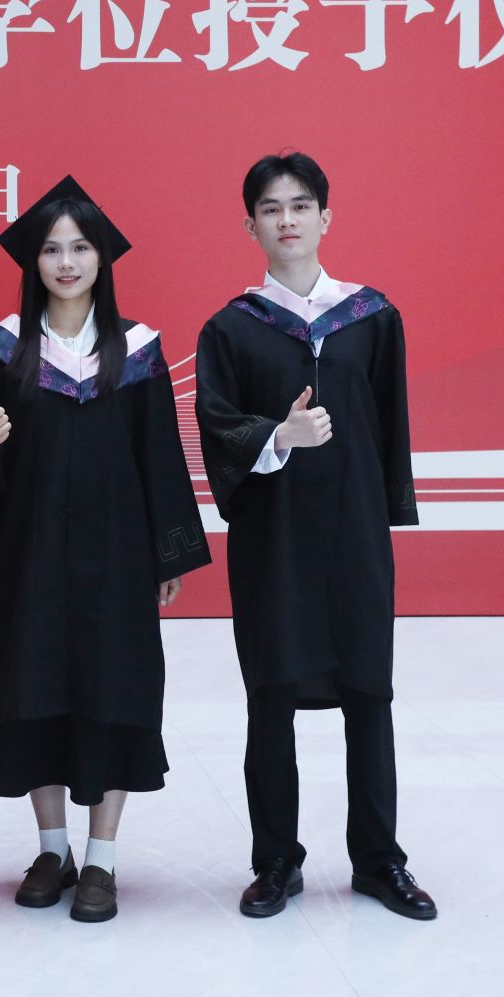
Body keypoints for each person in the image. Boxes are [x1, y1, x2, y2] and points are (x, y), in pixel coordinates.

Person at [0, 176, 210, 923]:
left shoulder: (137, 349)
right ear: (33, 261)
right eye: (52, 249)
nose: (66, 262)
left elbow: (161, 455)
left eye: (81, 247)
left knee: (113, 689)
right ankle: (52, 848)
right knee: (36, 689)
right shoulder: (5, 348)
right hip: (32, 555)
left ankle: (102, 858)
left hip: (118, 559)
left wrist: (167, 554)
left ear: (102, 258)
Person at [193, 151, 436, 921]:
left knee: (370, 693)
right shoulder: (231, 329)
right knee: (270, 696)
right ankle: (275, 861)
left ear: (326, 217)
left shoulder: (370, 318)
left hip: (354, 535)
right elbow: (217, 426)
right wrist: (280, 435)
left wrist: (387, 507)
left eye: (300, 205)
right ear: (250, 226)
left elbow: (390, 424)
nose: (287, 219)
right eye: (270, 208)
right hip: (274, 542)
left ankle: (379, 859)